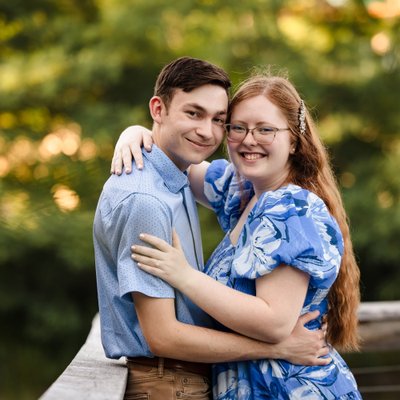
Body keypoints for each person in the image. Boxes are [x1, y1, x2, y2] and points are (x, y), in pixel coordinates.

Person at [111, 72, 362, 399]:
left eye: (265, 130)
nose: (248, 140)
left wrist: (184, 276)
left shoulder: (290, 208)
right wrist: (135, 133)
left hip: (290, 389)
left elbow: (275, 323)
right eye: (237, 128)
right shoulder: (242, 191)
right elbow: (174, 156)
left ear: (294, 141)